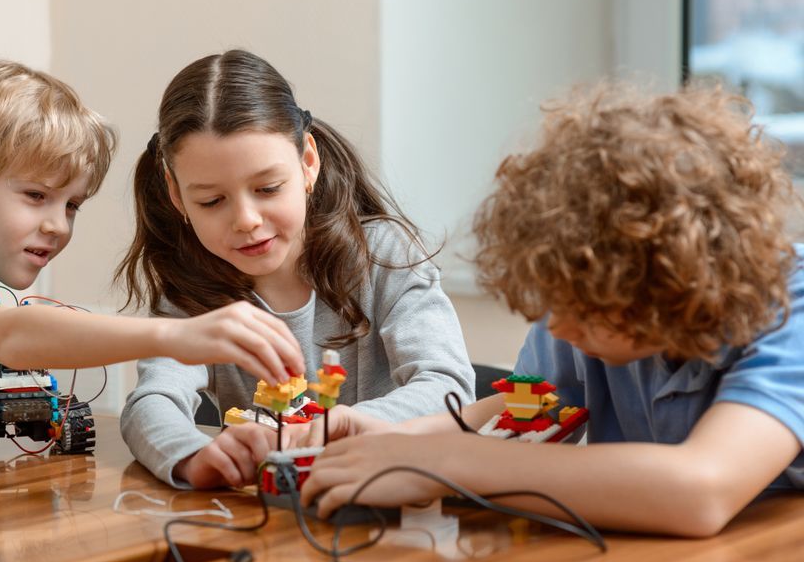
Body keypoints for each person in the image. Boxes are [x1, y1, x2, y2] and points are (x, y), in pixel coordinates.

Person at [300, 83, 804, 537]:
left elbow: (702, 491)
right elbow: (525, 412)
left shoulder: (791, 310)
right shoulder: (581, 299)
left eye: (583, 310)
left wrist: (444, 460)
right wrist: (396, 440)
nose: (559, 326)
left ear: (671, 282)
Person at [0, 59, 303, 439]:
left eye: (72, 206)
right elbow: (10, 336)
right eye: (36, 196)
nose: (57, 225)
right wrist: (174, 335)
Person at [116, 49, 475, 489]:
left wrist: (347, 424)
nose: (246, 219)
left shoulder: (384, 255)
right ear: (176, 196)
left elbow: (448, 387)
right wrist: (191, 455)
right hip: (273, 523)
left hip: (394, 512)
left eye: (267, 188)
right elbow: (151, 401)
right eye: (212, 201)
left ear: (308, 162)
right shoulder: (192, 293)